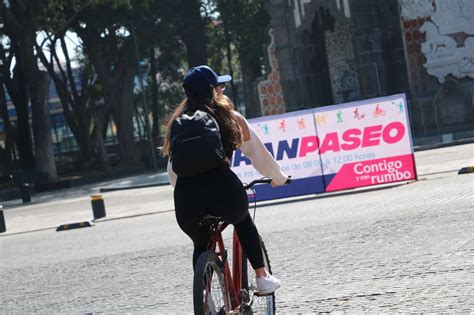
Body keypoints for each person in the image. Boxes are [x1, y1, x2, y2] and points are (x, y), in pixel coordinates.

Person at [162, 65, 289, 294]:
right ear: (213, 90)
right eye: (219, 85)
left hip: (187, 201)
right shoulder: (231, 118)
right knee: (242, 220)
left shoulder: (177, 123)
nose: (222, 89)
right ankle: (262, 277)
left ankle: (205, 298)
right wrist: (278, 178)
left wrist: (188, 187)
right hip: (223, 191)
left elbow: (173, 172)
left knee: (201, 243)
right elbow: (260, 157)